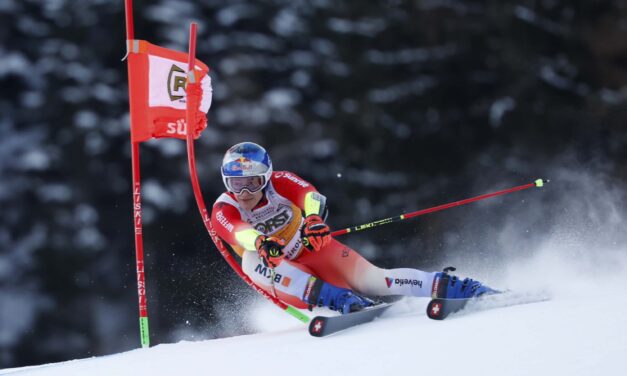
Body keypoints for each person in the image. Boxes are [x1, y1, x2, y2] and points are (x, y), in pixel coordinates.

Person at [210, 142, 497, 314]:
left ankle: (451, 286)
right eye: (236, 183)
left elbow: (311, 195)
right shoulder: (224, 207)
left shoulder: (281, 182)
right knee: (250, 260)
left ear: (267, 177)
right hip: (285, 276)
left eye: (253, 182)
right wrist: (260, 241)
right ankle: (334, 298)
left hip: (312, 251)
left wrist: (313, 220)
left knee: (377, 280)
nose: (245, 191)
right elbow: (234, 230)